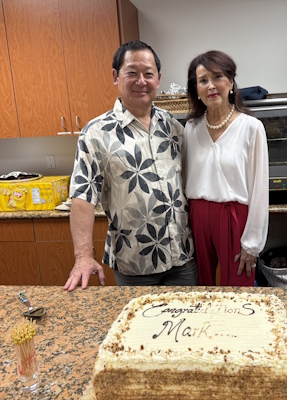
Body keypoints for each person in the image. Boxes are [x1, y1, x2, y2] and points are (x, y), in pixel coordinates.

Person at [63, 40, 198, 291]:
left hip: (183, 258)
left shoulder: (173, 127)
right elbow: (83, 197)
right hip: (134, 264)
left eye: (148, 74)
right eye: (132, 73)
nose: (141, 81)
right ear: (115, 76)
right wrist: (83, 256)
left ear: (158, 79)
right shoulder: (96, 133)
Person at [183, 50, 269, 287]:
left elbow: (260, 189)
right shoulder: (190, 129)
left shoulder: (251, 128)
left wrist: (252, 243)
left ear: (230, 82)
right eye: (203, 80)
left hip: (233, 217)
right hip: (197, 216)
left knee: (237, 289)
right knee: (202, 289)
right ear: (196, 89)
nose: (211, 86)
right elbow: (184, 178)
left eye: (217, 77)